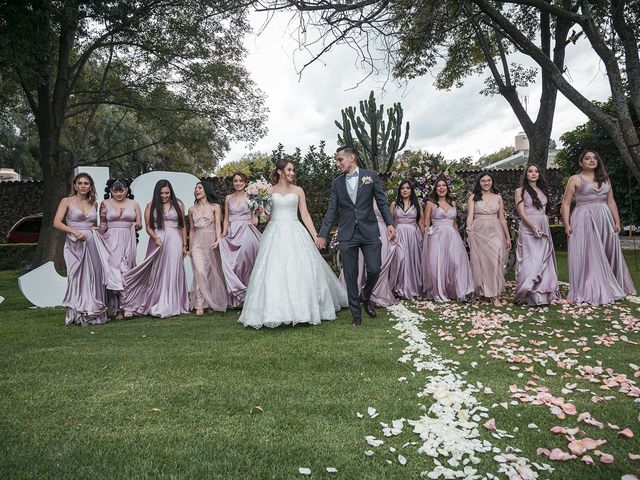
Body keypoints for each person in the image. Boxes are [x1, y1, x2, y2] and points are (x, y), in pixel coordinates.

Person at [239, 159, 348, 328]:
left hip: (295, 231)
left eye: (293, 170)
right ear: (280, 171)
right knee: (274, 270)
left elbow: (305, 215)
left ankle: (304, 310)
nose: (292, 173)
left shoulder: (298, 191)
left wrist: (315, 236)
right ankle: (275, 311)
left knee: (299, 269)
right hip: (274, 232)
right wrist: (259, 211)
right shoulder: (269, 190)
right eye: (289, 170)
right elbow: (266, 217)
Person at [316, 147, 396, 326]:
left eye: (340, 160)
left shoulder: (370, 176)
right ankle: (356, 314)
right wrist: (323, 234)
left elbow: (382, 201)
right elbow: (331, 211)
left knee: (375, 268)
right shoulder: (336, 183)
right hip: (347, 233)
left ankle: (366, 295)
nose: (338, 164)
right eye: (337, 161)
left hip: (369, 231)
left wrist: (390, 224)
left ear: (351, 158)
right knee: (351, 274)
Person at [561, 149, 636, 305]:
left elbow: (611, 201)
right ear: (581, 162)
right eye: (587, 158)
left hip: (604, 218)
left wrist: (617, 221)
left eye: (594, 158)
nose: (592, 160)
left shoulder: (604, 178)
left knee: (608, 250)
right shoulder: (575, 179)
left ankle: (612, 284)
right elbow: (566, 203)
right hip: (583, 218)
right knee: (589, 253)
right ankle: (590, 288)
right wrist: (567, 224)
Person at [121, 179, 189, 318]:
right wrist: (156, 238)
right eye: (162, 193)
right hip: (158, 241)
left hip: (175, 240)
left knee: (173, 270)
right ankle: (157, 301)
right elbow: (148, 227)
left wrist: (184, 245)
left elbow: (183, 226)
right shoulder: (150, 206)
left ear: (171, 192)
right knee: (158, 271)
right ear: (157, 193)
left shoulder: (178, 205)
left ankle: (173, 303)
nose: (164, 195)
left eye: (167, 193)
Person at [53, 172, 109, 325]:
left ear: (90, 187)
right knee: (76, 277)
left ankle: (94, 313)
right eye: (80, 183)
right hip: (74, 243)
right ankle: (77, 313)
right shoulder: (66, 201)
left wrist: (100, 227)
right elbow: (57, 223)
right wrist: (74, 232)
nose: (83, 186)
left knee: (94, 276)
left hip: (91, 242)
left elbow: (93, 225)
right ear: (75, 185)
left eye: (86, 183)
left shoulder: (94, 203)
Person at [339, 201, 403, 307]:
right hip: (365, 232)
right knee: (360, 263)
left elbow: (389, 219)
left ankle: (376, 293)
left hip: (382, 233)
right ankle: (358, 291)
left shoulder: (382, 201)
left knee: (379, 263)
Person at [514, 164, 561, 306]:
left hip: (543, 225)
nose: (533, 174)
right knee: (530, 260)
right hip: (528, 227)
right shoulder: (520, 191)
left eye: (536, 171)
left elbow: (545, 212)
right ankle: (527, 293)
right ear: (526, 174)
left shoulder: (543, 190)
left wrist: (544, 227)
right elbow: (521, 212)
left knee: (543, 260)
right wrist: (533, 226)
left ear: (539, 174)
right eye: (530, 171)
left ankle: (544, 294)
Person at [421, 176, 474, 301]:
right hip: (436, 236)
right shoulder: (430, 203)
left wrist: (459, 238)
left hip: (452, 235)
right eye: (438, 186)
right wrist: (427, 235)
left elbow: (455, 223)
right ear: (435, 189)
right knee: (437, 264)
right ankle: (438, 291)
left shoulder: (453, 203)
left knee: (456, 263)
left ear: (447, 188)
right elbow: (426, 222)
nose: (441, 188)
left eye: (443, 185)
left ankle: (458, 291)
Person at [97, 179, 142, 319]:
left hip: (128, 240)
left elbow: (140, 224)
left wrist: (136, 225)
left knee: (126, 271)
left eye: (121, 190)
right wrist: (96, 229)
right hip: (111, 241)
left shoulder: (134, 204)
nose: (118, 193)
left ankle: (127, 306)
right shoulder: (104, 204)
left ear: (127, 190)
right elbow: (103, 224)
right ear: (110, 191)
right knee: (114, 273)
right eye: (115, 191)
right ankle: (118, 309)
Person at [466, 172, 511, 307]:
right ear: (479, 183)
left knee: (495, 261)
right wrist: (468, 227)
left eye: (488, 180)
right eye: (483, 181)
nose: (486, 183)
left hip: (495, 231)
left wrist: (508, 237)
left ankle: (495, 294)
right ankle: (484, 292)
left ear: (492, 182)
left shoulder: (498, 197)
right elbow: (470, 215)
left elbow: (502, 218)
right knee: (482, 262)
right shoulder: (474, 197)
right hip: (479, 231)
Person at [219, 172, 261, 307]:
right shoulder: (228, 198)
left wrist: (256, 218)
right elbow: (226, 218)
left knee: (245, 261)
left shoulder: (252, 196)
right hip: (232, 231)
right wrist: (223, 233)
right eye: (235, 181)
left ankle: (248, 295)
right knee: (232, 265)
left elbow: (256, 216)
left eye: (241, 181)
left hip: (246, 230)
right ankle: (236, 299)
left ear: (245, 183)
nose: (238, 183)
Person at [188, 181, 227, 315]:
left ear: (206, 190)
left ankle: (211, 302)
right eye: (195, 188)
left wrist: (218, 240)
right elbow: (192, 230)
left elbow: (218, 225)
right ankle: (199, 303)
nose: (197, 190)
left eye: (199, 188)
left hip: (211, 240)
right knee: (200, 271)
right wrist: (190, 247)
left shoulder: (215, 207)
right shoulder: (192, 209)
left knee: (211, 272)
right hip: (197, 242)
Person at [390, 180, 424, 300]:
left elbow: (421, 222)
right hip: (398, 235)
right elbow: (390, 222)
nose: (405, 190)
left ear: (411, 190)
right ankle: (397, 288)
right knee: (400, 258)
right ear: (399, 190)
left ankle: (409, 288)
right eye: (402, 188)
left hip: (412, 236)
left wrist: (425, 238)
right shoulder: (394, 204)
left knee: (411, 260)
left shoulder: (417, 204)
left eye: (408, 188)